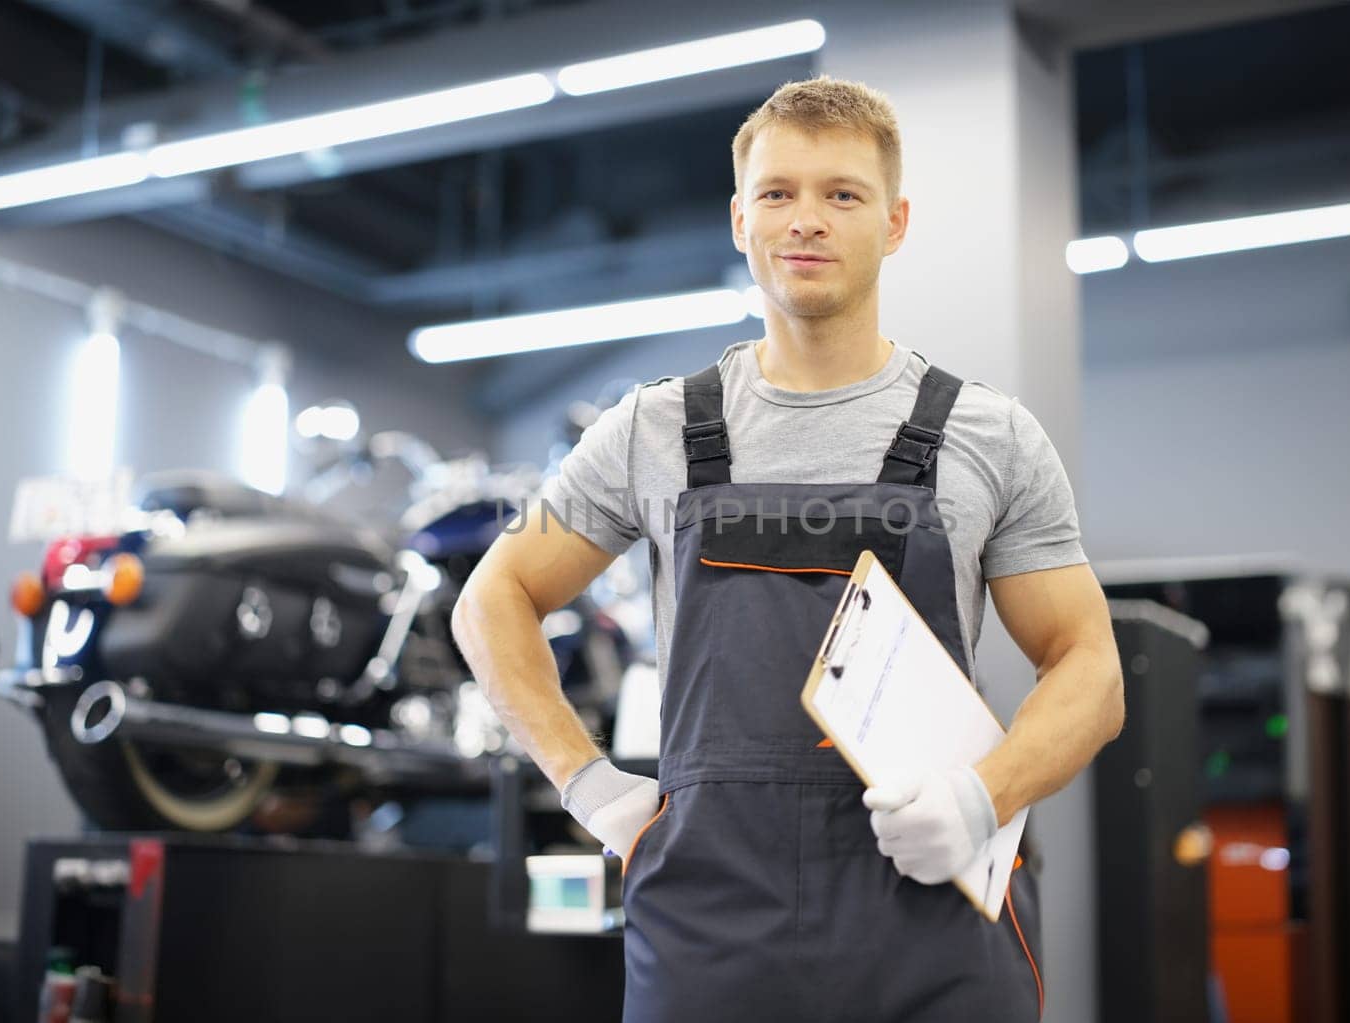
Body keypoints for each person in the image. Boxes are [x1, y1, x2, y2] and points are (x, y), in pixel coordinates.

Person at [452, 75, 1124, 1023]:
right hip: (709, 916)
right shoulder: (651, 429)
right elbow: (493, 597)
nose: (806, 219)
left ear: (893, 223)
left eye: (841, 194)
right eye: (778, 193)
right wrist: (589, 784)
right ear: (740, 220)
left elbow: (1091, 669)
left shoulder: (989, 435)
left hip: (925, 908)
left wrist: (982, 798)